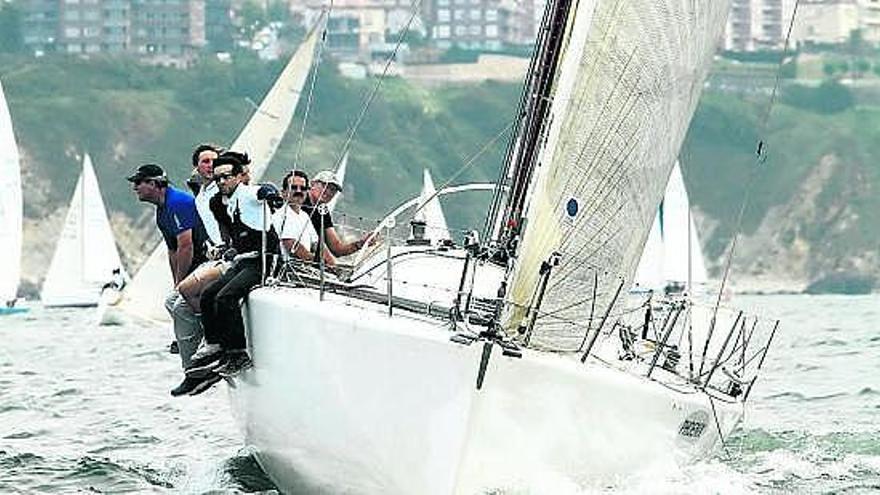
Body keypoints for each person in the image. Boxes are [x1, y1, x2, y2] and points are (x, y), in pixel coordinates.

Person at [186, 151, 283, 381]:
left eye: (226, 176)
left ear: (239, 176)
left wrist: (272, 195)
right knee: (209, 294)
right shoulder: (221, 202)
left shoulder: (248, 193)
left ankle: (238, 354)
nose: (221, 182)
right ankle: (216, 345)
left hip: (264, 260)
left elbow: (263, 191)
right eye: (217, 178)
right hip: (243, 260)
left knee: (225, 297)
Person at [127, 162, 213, 395]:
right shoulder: (162, 210)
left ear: (155, 184)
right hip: (195, 267)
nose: (135, 188)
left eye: (139, 183)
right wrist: (177, 282)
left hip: (208, 261)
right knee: (171, 301)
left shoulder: (178, 203)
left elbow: (186, 246)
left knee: (180, 305)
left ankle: (197, 368)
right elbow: (173, 250)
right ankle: (196, 345)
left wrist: (182, 282)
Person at [302, 170, 373, 261]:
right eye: (325, 186)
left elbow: (337, 249)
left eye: (333, 190)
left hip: (311, 261)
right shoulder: (299, 199)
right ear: (312, 184)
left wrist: (362, 243)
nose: (328, 192)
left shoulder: (323, 212)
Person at [274, 170, 320, 263]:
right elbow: (293, 247)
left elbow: (316, 245)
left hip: (303, 270)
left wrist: (334, 265)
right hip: (284, 270)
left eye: (303, 188)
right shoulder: (281, 215)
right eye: (293, 187)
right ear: (283, 192)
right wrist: (321, 263)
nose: (299, 191)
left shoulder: (305, 216)